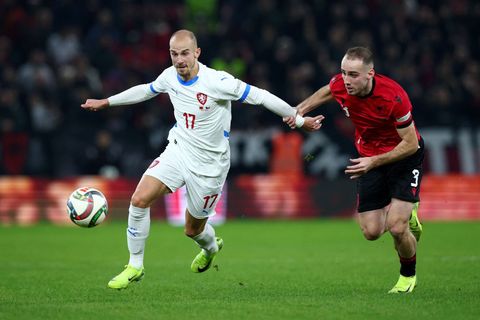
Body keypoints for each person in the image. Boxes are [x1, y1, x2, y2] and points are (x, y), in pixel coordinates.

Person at [81, 29, 323, 290]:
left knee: (192, 230)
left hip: (210, 166)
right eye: (174, 54)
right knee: (139, 199)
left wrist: (299, 119)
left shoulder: (217, 81)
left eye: (185, 53)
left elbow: (260, 96)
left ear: (197, 53)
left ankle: (210, 247)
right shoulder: (169, 76)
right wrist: (107, 102)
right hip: (178, 150)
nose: (179, 59)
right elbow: (146, 90)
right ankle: (135, 265)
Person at [284, 47, 424, 293]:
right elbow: (328, 90)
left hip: (403, 157)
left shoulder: (394, 97)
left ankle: (407, 275)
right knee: (371, 232)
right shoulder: (341, 84)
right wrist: (300, 109)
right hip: (368, 157)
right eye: (343, 73)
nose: (346, 81)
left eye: (353, 75)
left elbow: (411, 144)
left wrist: (375, 161)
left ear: (370, 74)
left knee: (397, 227)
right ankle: (405, 216)